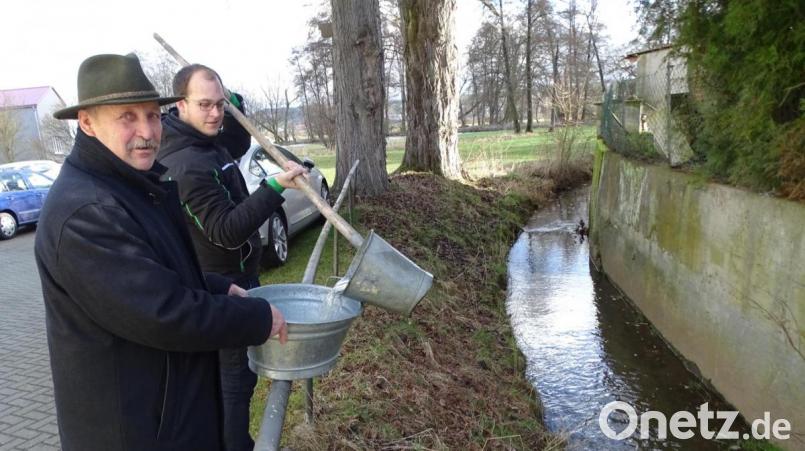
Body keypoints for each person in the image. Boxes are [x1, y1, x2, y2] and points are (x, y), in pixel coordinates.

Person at [34, 53, 288, 451]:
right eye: (127, 117)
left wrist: (217, 286)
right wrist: (257, 317)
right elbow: (166, 314)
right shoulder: (87, 212)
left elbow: (157, 272)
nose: (147, 131)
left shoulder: (131, 184)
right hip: (135, 431)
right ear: (86, 122)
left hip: (166, 416)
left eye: (152, 115)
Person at [157, 64, 307, 451]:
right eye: (204, 105)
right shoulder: (185, 166)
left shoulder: (206, 142)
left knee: (239, 380)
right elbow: (226, 230)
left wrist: (236, 106)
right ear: (179, 104)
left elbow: (236, 144)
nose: (214, 114)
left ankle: (236, 440)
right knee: (234, 384)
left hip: (239, 277)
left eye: (219, 104)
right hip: (221, 286)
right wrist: (274, 187)